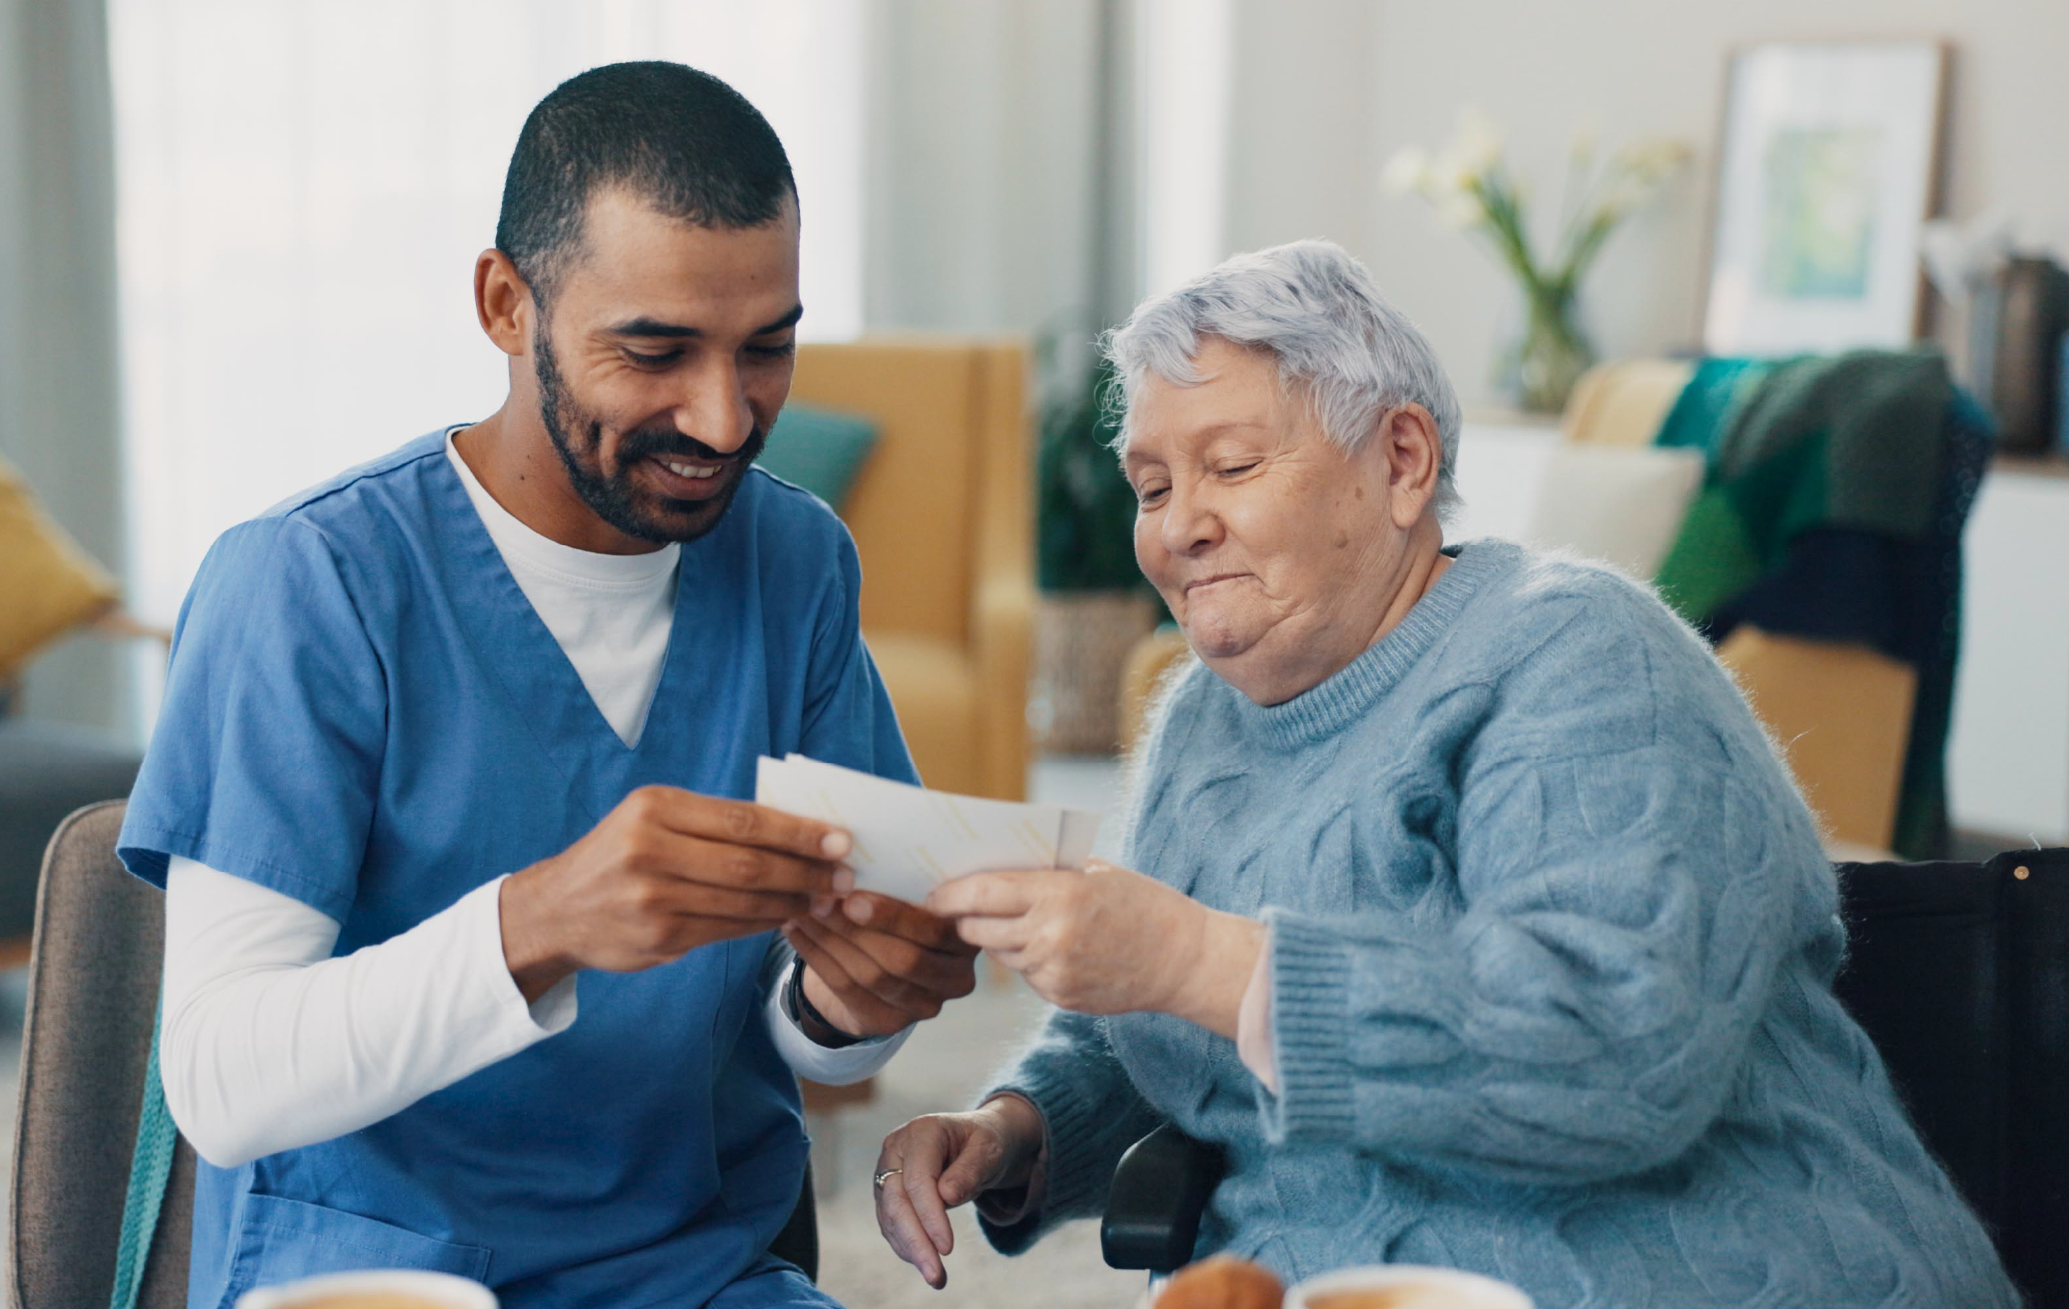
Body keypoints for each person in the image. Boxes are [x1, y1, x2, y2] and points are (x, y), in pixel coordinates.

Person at [872, 240, 2015, 1306]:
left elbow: (1617, 1055)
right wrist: (1019, 1121)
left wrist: (1190, 953)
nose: (1177, 529)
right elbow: (1154, 1006)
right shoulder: (1199, 719)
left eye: (1228, 465)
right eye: (1153, 486)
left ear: (1401, 461)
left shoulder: (1578, 655)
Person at [121, 62, 977, 1309]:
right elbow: (221, 1080)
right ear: (505, 304)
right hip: (378, 1277)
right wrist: (542, 922)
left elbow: (812, 1026)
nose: (726, 419)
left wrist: (852, 1005)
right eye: (655, 351)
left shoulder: (792, 565)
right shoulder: (309, 586)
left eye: (768, 349)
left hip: (693, 1270)